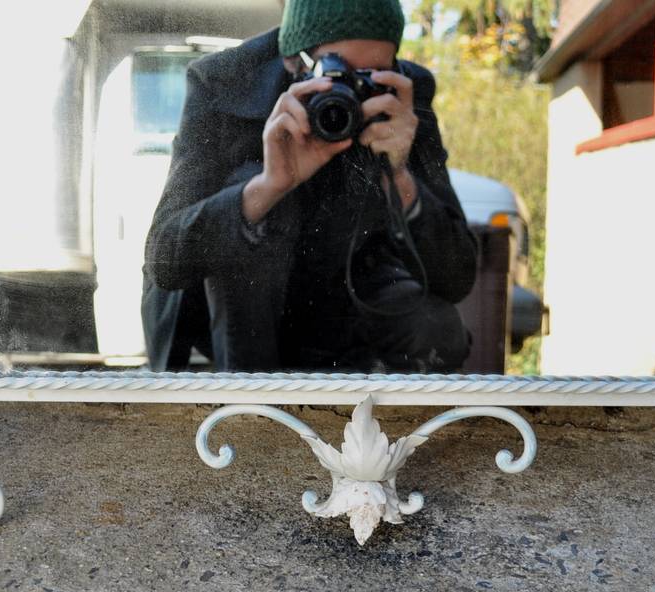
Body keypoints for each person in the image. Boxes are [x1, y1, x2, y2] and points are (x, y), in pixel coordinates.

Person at [141, 0, 477, 373]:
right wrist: (269, 186)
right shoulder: (224, 82)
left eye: (373, 76)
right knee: (249, 186)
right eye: (339, 74)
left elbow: (457, 279)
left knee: (436, 327)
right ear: (294, 61)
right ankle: (251, 411)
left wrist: (397, 174)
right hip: (235, 317)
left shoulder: (406, 94)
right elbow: (164, 259)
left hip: (346, 299)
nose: (352, 94)